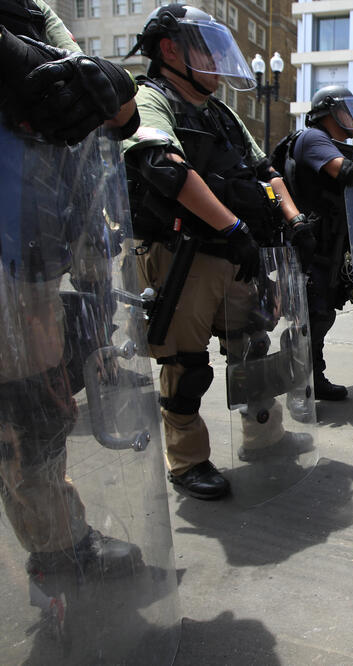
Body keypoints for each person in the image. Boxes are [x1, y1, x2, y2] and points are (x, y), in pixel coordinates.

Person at [123, 4, 315, 499]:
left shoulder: (221, 113)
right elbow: (163, 166)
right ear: (170, 51)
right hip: (182, 253)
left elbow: (264, 172)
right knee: (187, 367)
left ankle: (263, 435)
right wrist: (231, 228)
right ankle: (187, 463)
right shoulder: (151, 99)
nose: (214, 59)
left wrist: (292, 219)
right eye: (204, 48)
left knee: (252, 346)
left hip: (237, 252)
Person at [1, 0, 146, 579]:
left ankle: (57, 544)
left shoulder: (31, 9)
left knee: (36, 406)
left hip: (31, 238)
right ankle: (57, 547)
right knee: (23, 408)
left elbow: (116, 103)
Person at [280, 85, 353, 401]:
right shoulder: (313, 138)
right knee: (308, 317)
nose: (352, 118)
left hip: (328, 245)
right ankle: (298, 388)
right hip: (310, 246)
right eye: (346, 111)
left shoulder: (330, 143)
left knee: (321, 315)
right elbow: (346, 173)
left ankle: (314, 377)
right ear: (329, 112)